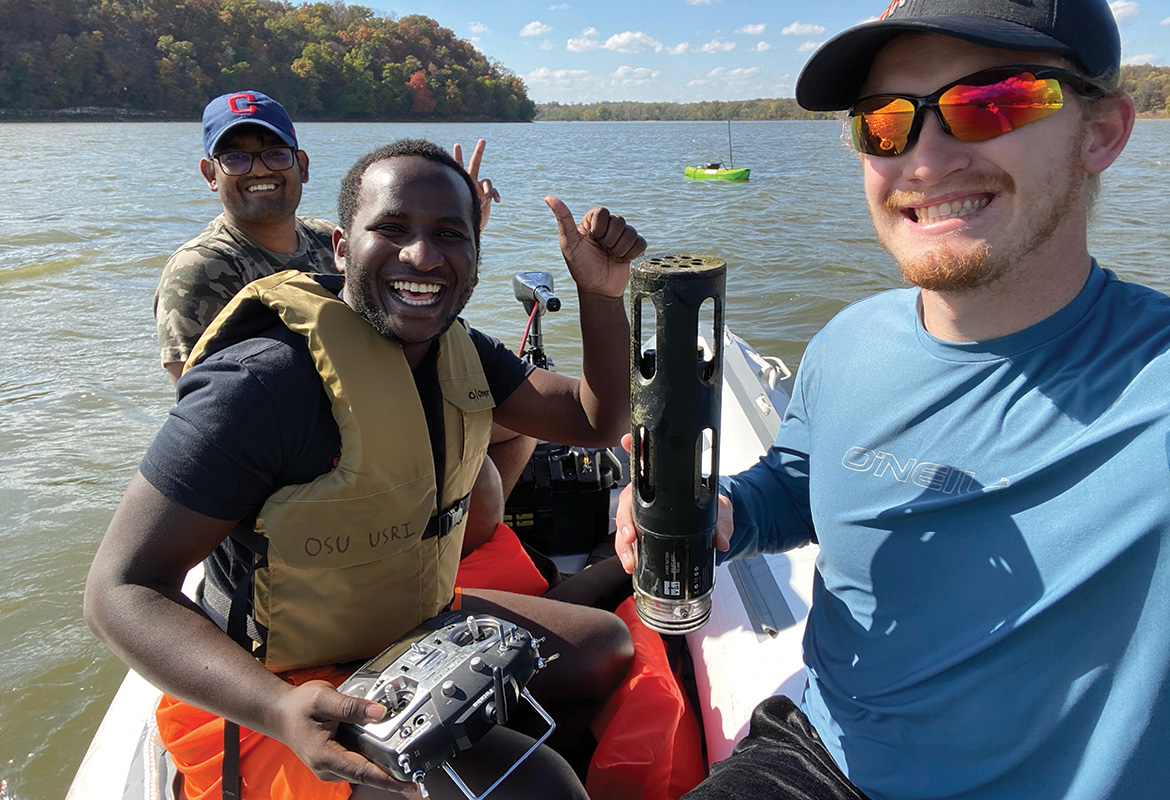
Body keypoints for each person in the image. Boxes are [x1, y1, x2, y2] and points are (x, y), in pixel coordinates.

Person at [617, 1, 1168, 798]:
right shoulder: (848, 343)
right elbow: (803, 482)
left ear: (1103, 132)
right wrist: (726, 509)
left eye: (991, 103)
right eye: (884, 123)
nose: (926, 158)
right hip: (822, 754)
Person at [86, 138, 646, 799]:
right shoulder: (260, 385)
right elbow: (117, 591)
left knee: (603, 648)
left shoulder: (459, 351)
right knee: (541, 788)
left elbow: (593, 421)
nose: (422, 254)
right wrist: (276, 709)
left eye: (449, 234)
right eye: (392, 228)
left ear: (473, 255)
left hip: (404, 632)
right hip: (279, 695)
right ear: (342, 248)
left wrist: (601, 294)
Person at [155, 89, 533, 509]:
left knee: (519, 427)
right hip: (300, 441)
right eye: (236, 157)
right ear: (211, 173)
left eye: (275, 154)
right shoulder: (201, 270)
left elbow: (407, 290)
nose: (259, 169)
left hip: (385, 395)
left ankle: (453, 552)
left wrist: (458, 225)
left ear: (301, 165)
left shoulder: (324, 237)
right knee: (477, 477)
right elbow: (202, 408)